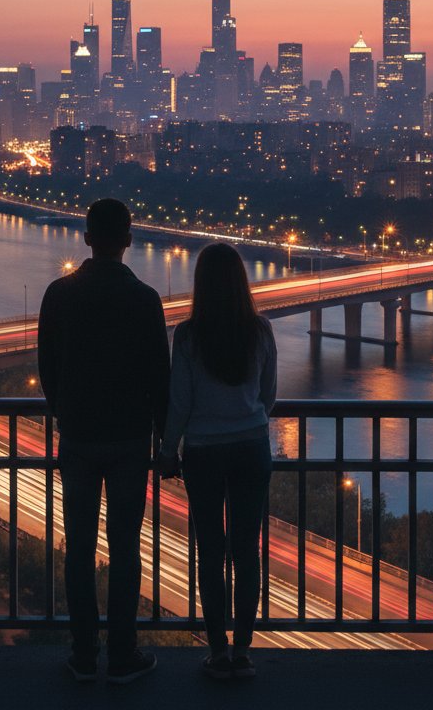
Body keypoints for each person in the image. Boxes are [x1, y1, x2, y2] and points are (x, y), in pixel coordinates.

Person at [37, 198, 170, 684]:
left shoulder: (59, 294)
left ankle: (83, 654)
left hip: (78, 436)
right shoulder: (145, 299)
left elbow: (47, 366)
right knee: (125, 548)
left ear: (88, 238)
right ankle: (122, 654)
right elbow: (160, 376)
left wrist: (63, 411)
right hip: (130, 439)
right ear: (129, 240)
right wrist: (165, 440)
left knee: (79, 548)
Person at [158, 242, 277, 680]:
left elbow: (180, 402)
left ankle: (217, 650)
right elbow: (269, 394)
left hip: (203, 452)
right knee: (247, 552)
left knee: (209, 553)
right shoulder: (260, 330)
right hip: (252, 447)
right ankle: (243, 650)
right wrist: (249, 418)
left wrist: (168, 451)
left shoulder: (188, 336)